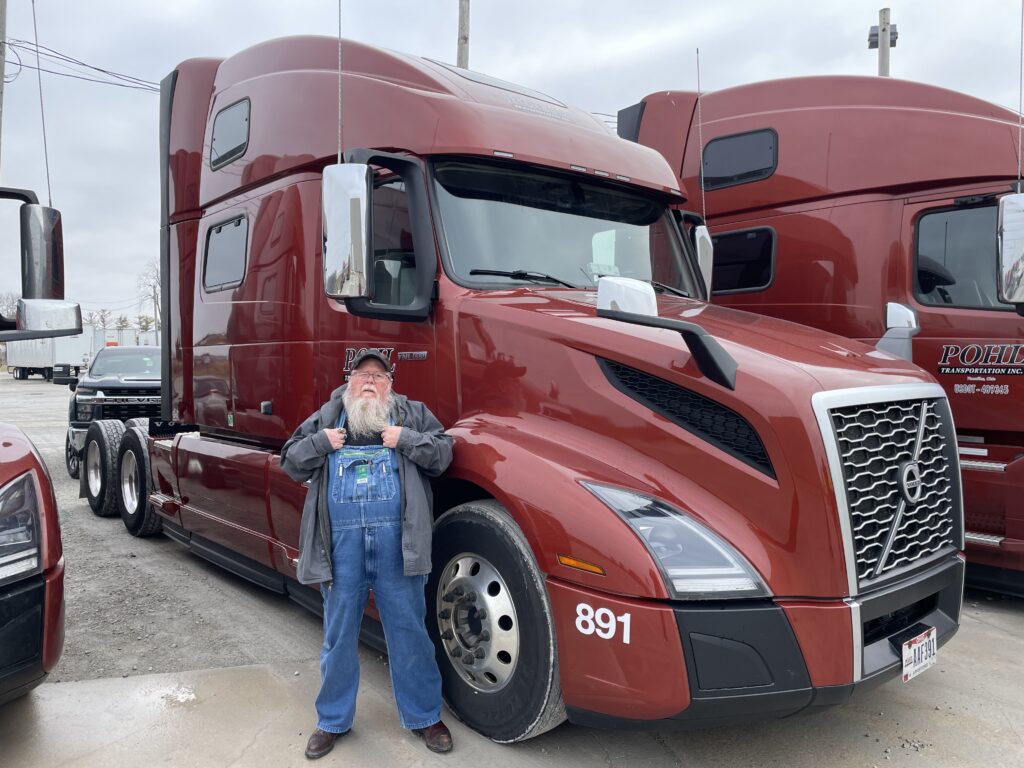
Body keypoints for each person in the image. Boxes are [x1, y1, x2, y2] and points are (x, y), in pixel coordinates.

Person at [280, 349, 454, 759]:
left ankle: (425, 716)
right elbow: (290, 461)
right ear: (349, 381)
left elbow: (444, 455)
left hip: (400, 547)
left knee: (410, 632)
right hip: (342, 550)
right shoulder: (328, 416)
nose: (370, 381)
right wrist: (321, 443)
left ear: (390, 384)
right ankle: (332, 720)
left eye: (379, 375)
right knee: (339, 637)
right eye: (362, 374)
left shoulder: (410, 415)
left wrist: (406, 440)